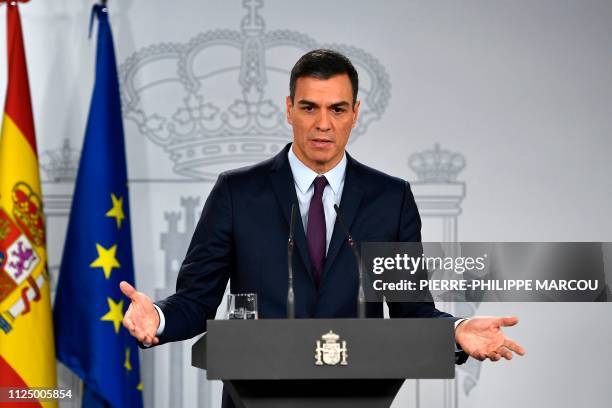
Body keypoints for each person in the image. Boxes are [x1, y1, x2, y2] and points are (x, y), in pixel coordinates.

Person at [120, 49, 524, 405]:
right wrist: (158, 316)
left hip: (357, 395)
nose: (323, 124)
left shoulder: (390, 198)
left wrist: (455, 330)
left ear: (355, 113)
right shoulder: (237, 193)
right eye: (310, 107)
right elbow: (197, 299)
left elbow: (411, 311)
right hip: (256, 393)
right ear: (289, 108)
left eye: (337, 109)